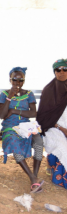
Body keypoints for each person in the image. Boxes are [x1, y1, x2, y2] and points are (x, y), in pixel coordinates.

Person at [0, 67, 44, 193]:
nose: (17, 83)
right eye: (14, 79)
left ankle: (35, 174)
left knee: (38, 141)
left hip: (26, 125)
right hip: (10, 126)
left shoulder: (29, 94)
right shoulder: (4, 94)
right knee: (13, 141)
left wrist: (13, 111)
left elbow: (33, 113)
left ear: (24, 80)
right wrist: (9, 97)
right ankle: (32, 177)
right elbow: (2, 115)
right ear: (10, 79)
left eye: (20, 80)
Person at [37, 59, 67, 189]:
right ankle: (60, 179)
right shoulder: (49, 90)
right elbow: (43, 117)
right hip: (53, 127)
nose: (61, 72)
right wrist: (61, 128)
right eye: (58, 70)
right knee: (62, 146)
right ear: (54, 72)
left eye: (65, 69)